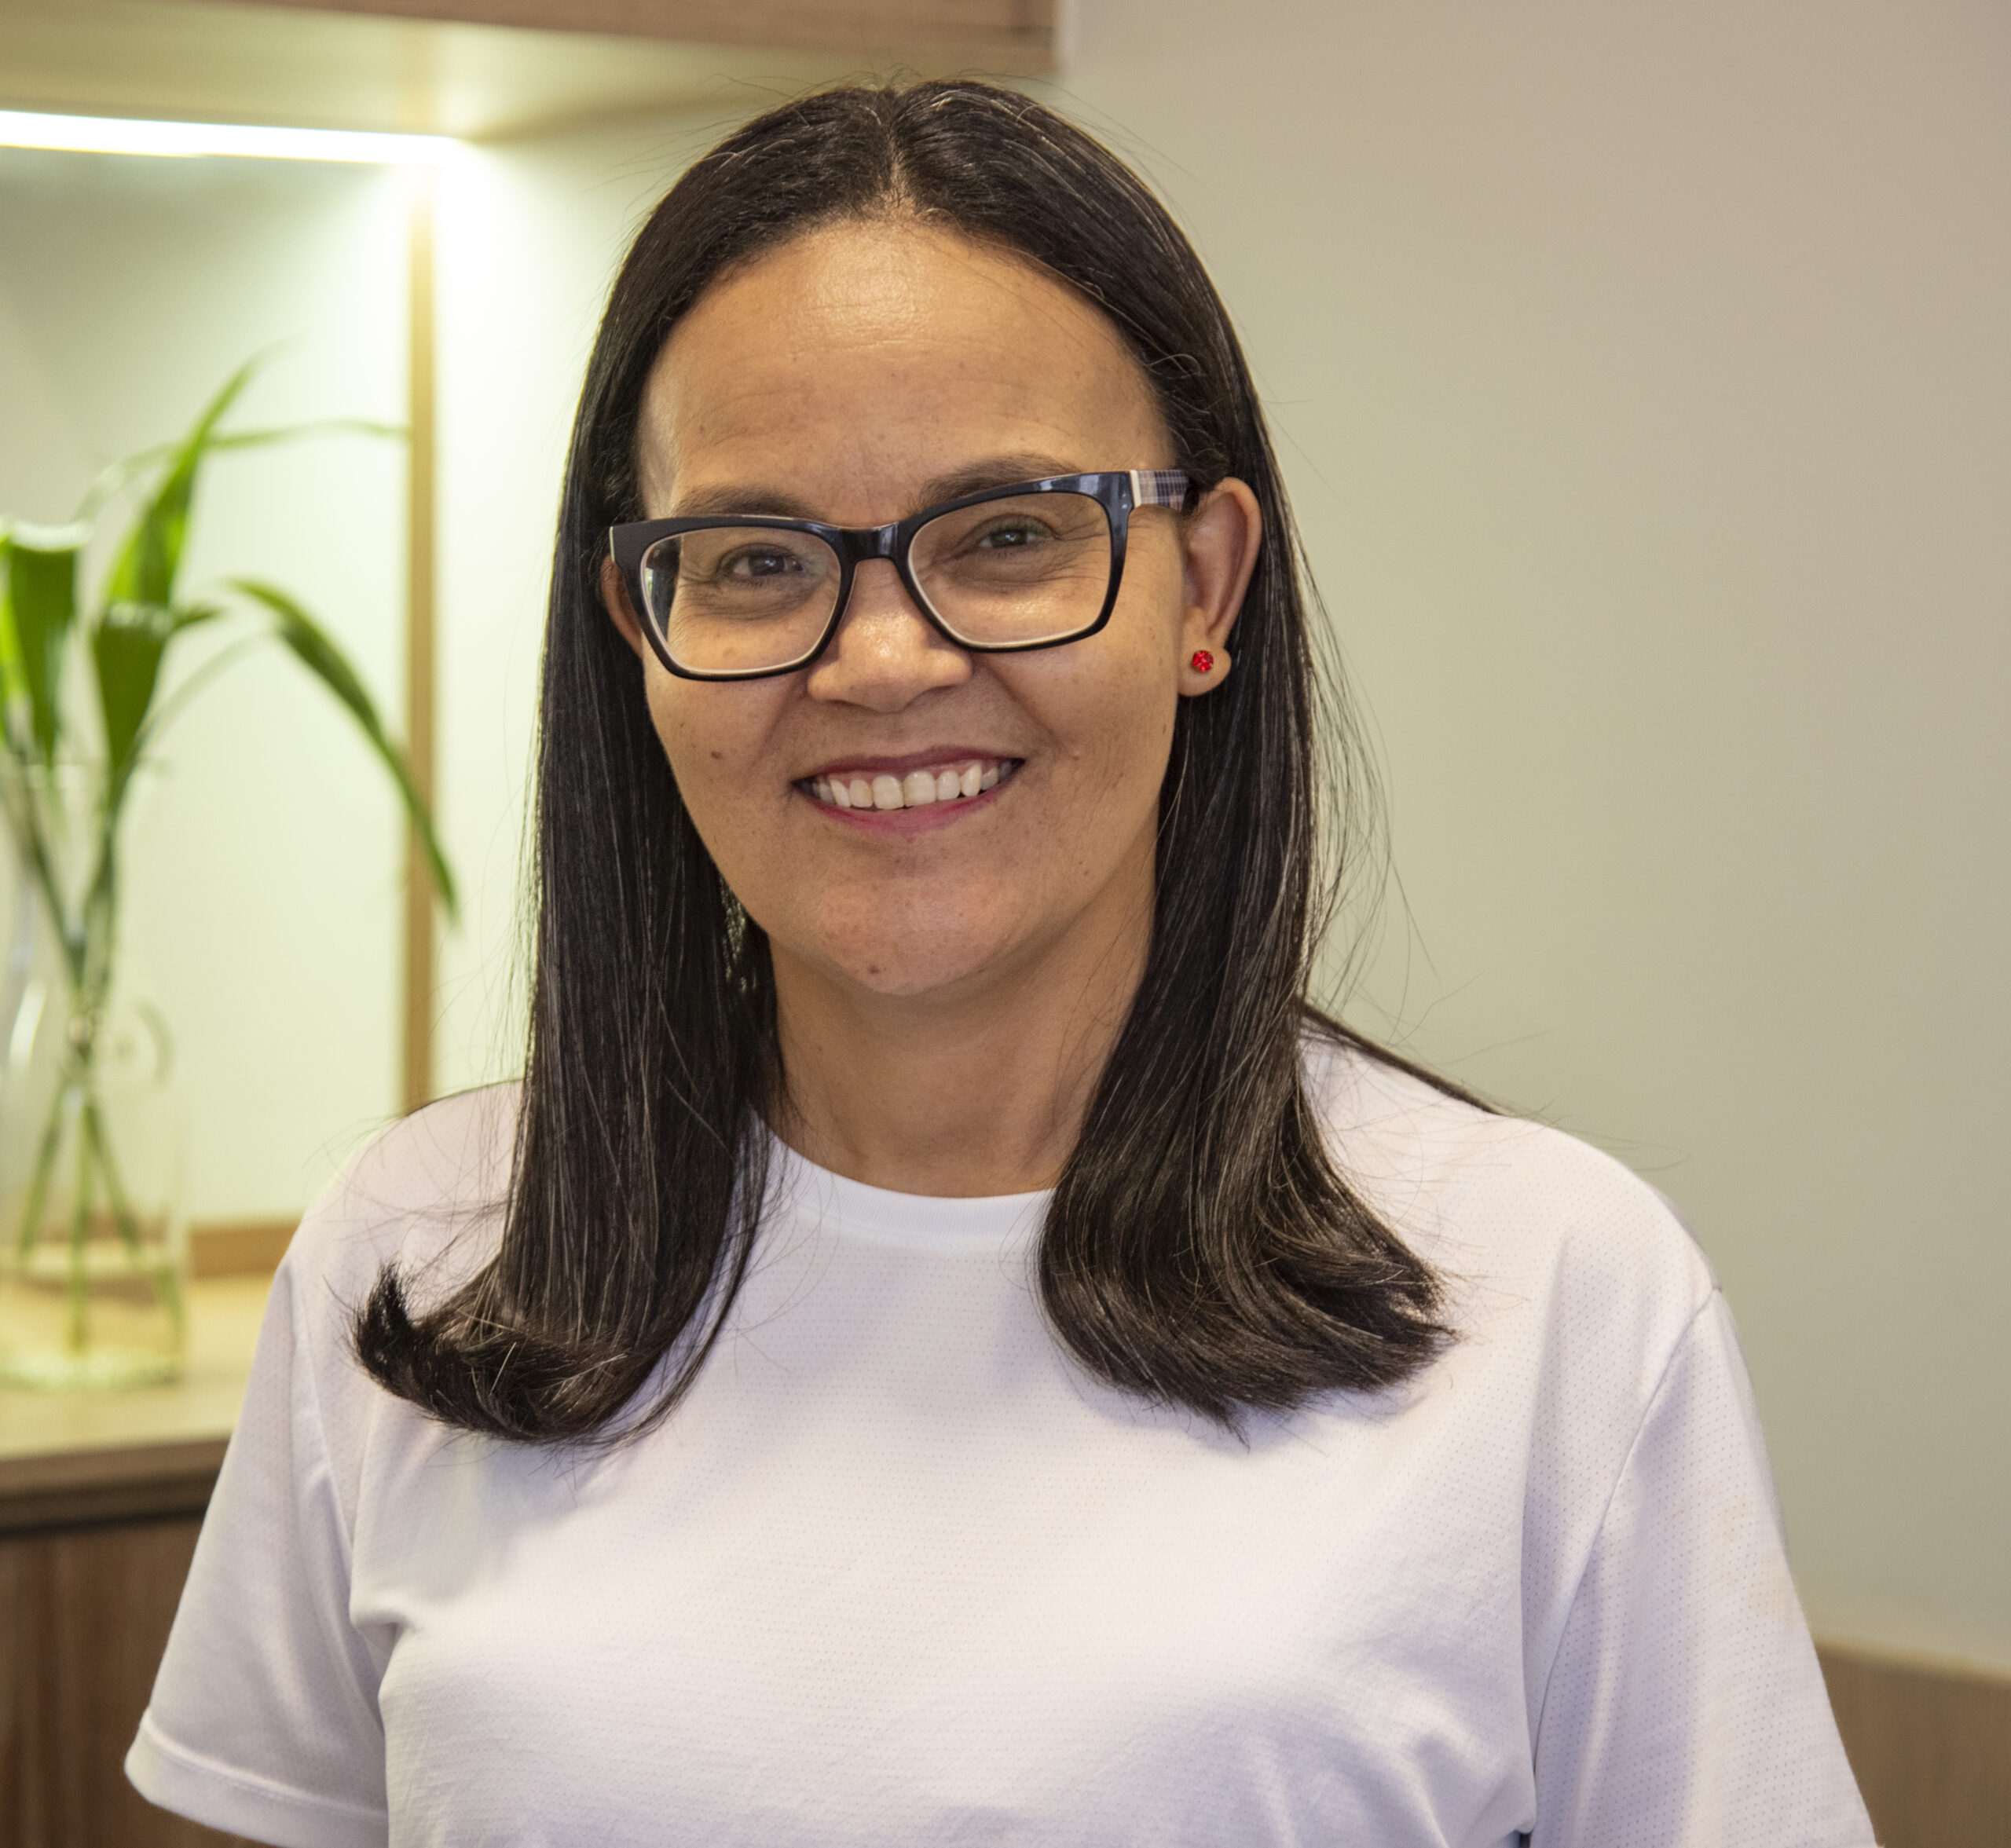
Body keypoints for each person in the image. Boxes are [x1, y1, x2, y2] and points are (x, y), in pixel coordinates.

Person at [127, 80, 1874, 1847]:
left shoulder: (1550, 1293)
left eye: (1011, 535)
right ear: (638, 632)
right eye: (755, 560)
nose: (881, 660)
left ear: (1204, 589)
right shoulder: (421, 1256)